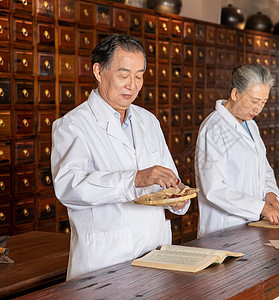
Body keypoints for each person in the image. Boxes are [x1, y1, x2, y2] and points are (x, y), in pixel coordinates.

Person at [51, 34, 189, 280]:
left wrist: (178, 198)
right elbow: (70, 188)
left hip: (156, 253)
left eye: (139, 76)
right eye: (124, 75)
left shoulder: (149, 121)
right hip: (106, 259)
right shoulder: (73, 125)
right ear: (98, 71)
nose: (132, 85)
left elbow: (169, 179)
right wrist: (134, 179)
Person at [195, 63, 279, 238]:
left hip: (250, 226)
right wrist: (261, 208)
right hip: (223, 230)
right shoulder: (214, 128)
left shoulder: (251, 126)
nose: (258, 109)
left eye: (263, 102)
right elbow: (214, 189)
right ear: (235, 94)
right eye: (254, 101)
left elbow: (263, 170)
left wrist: (271, 197)